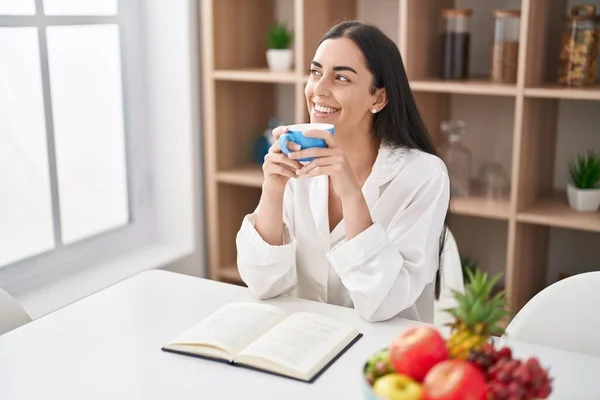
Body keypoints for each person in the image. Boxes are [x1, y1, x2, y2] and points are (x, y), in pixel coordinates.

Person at [235, 20, 450, 323]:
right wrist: (272, 189)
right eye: (315, 72)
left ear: (379, 98)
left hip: (386, 354)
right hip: (305, 339)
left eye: (341, 78)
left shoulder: (424, 176)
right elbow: (262, 285)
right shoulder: (299, 159)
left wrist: (350, 193)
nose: (318, 90)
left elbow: (384, 302)